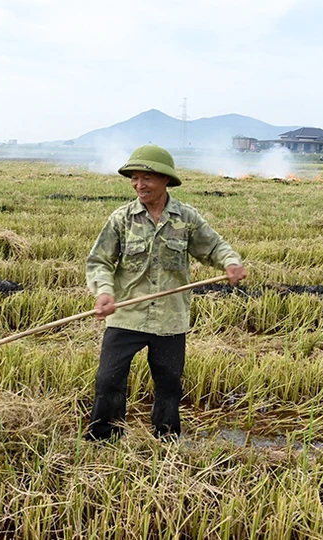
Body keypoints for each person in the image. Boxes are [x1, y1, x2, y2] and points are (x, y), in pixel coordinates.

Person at [85, 145, 247, 441]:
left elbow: (213, 247)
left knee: (169, 384)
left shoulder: (186, 218)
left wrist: (231, 262)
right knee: (108, 379)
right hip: (126, 316)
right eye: (134, 179)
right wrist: (105, 292)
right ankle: (103, 439)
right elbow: (100, 261)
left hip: (171, 318)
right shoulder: (122, 219)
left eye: (145, 178)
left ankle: (166, 439)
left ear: (164, 180)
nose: (138, 185)